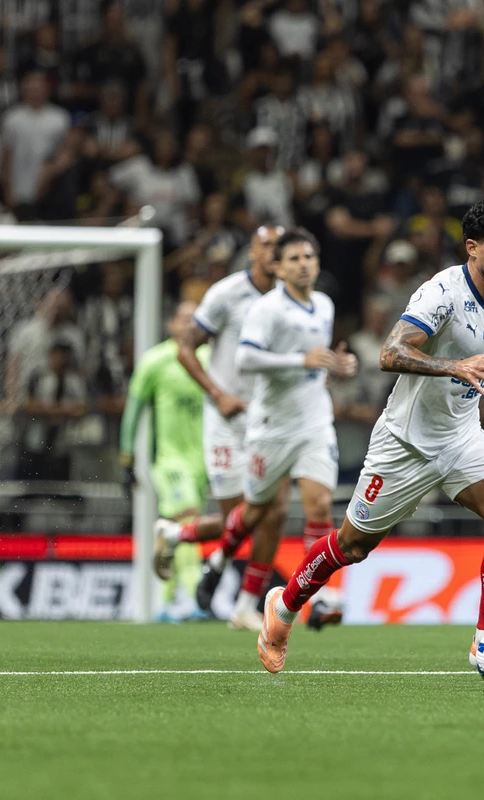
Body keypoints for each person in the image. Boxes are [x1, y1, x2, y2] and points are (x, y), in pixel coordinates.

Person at [254, 197, 484, 674]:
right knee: (352, 546)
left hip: (461, 437)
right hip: (405, 444)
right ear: (472, 248)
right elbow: (390, 352)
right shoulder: (440, 292)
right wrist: (453, 367)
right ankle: (283, 606)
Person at [196, 228, 356, 638]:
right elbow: (246, 359)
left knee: (319, 505)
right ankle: (217, 561)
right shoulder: (267, 309)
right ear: (278, 267)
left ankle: (315, 596)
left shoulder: (324, 304)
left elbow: (316, 362)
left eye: (309, 256)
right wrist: (299, 359)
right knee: (254, 512)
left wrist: (336, 365)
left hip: (314, 421)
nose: (304, 264)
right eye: (295, 258)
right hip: (270, 426)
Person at [153, 225, 297, 632]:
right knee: (241, 516)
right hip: (227, 420)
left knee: (277, 513)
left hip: (271, 421)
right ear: (252, 251)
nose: (274, 252)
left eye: (280, 247)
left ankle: (246, 606)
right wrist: (217, 394)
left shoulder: (294, 301)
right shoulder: (226, 294)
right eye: (266, 245)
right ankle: (177, 534)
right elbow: (185, 347)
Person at [120, 301, 210, 622]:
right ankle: (199, 594)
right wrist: (126, 455)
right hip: (170, 460)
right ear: (172, 324)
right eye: (183, 318)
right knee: (188, 519)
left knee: (181, 529)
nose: (188, 325)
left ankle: (167, 604)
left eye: (194, 320)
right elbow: (134, 408)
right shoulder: (155, 360)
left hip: (204, 461)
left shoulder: (210, 359)